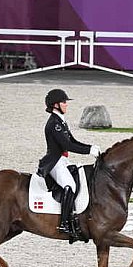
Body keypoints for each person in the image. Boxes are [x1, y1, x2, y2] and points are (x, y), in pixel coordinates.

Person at [37, 89, 100, 242]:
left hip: (63, 160)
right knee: (69, 185)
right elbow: (66, 144)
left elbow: (73, 142)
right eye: (64, 102)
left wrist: (90, 147)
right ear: (55, 105)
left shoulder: (61, 121)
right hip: (54, 161)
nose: (66, 105)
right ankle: (65, 223)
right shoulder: (54, 124)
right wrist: (88, 151)